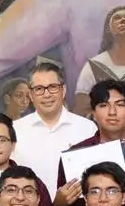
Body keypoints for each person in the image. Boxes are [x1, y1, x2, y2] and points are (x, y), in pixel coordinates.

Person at [11, 62, 96, 192]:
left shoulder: (87, 128)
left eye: (53, 87)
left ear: (64, 91)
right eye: (39, 89)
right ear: (31, 95)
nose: (46, 94)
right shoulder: (15, 129)